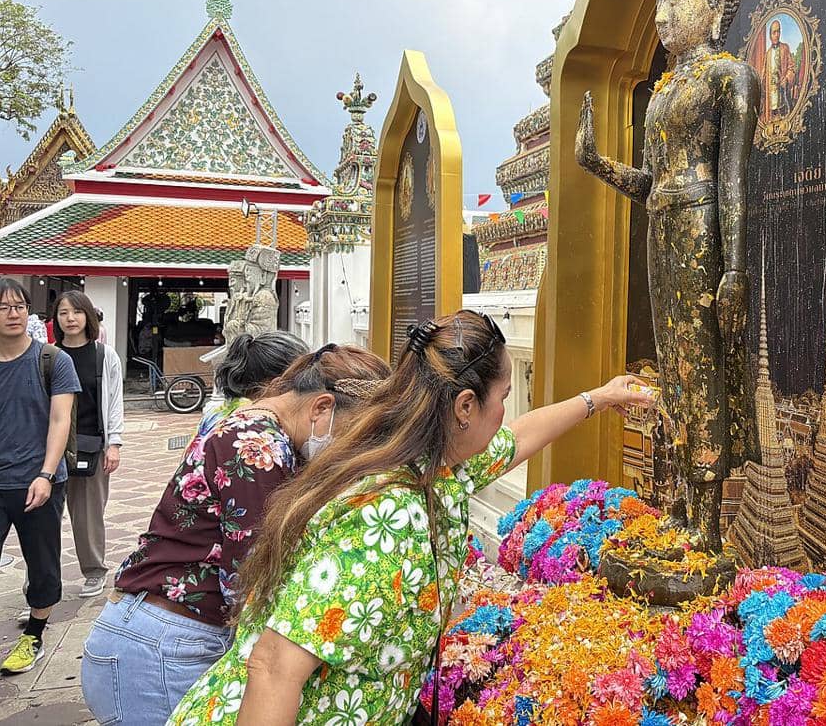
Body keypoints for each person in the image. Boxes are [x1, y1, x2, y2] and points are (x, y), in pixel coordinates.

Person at [170, 311, 653, 725]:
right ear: (466, 406)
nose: (505, 412)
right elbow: (275, 665)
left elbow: (519, 438)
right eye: (503, 397)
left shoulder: (434, 466)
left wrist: (600, 398)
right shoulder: (390, 509)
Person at [81, 342, 387, 725]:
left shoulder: (252, 425)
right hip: (161, 646)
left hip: (163, 637)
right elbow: (253, 578)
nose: (347, 448)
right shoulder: (257, 448)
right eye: (351, 433)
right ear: (322, 407)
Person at [0, 278, 79, 675]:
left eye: (19, 306)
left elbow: (60, 419)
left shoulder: (52, 359)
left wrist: (46, 474)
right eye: (3, 307)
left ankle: (34, 634)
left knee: (42, 565)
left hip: (38, 482)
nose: (13, 314)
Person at [52, 291, 124, 599]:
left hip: (92, 446)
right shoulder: (47, 355)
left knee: (89, 514)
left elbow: (114, 402)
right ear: (55, 319)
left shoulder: (104, 355)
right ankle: (40, 577)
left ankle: (94, 571)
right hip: (51, 448)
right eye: (63, 313)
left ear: (88, 317)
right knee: (43, 517)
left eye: (76, 312)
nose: (70, 319)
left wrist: (115, 443)